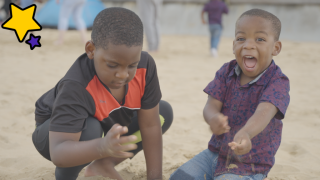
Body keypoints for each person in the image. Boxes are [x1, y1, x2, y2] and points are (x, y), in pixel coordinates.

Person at [32, 7, 173, 180]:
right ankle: (66, 176)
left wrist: (155, 177)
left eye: (131, 65)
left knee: (162, 113)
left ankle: (104, 164)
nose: (123, 74)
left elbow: (150, 126)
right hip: (55, 135)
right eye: (112, 65)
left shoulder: (146, 67)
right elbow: (58, 152)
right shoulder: (76, 86)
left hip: (104, 124)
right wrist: (101, 146)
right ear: (91, 50)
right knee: (91, 128)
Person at [171, 9, 290, 180]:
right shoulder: (226, 71)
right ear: (234, 45)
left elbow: (264, 112)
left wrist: (247, 133)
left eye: (260, 39)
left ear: (275, 48)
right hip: (214, 155)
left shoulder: (277, 81)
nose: (248, 45)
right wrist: (212, 118)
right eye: (241, 39)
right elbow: (212, 105)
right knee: (179, 177)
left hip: (250, 164)